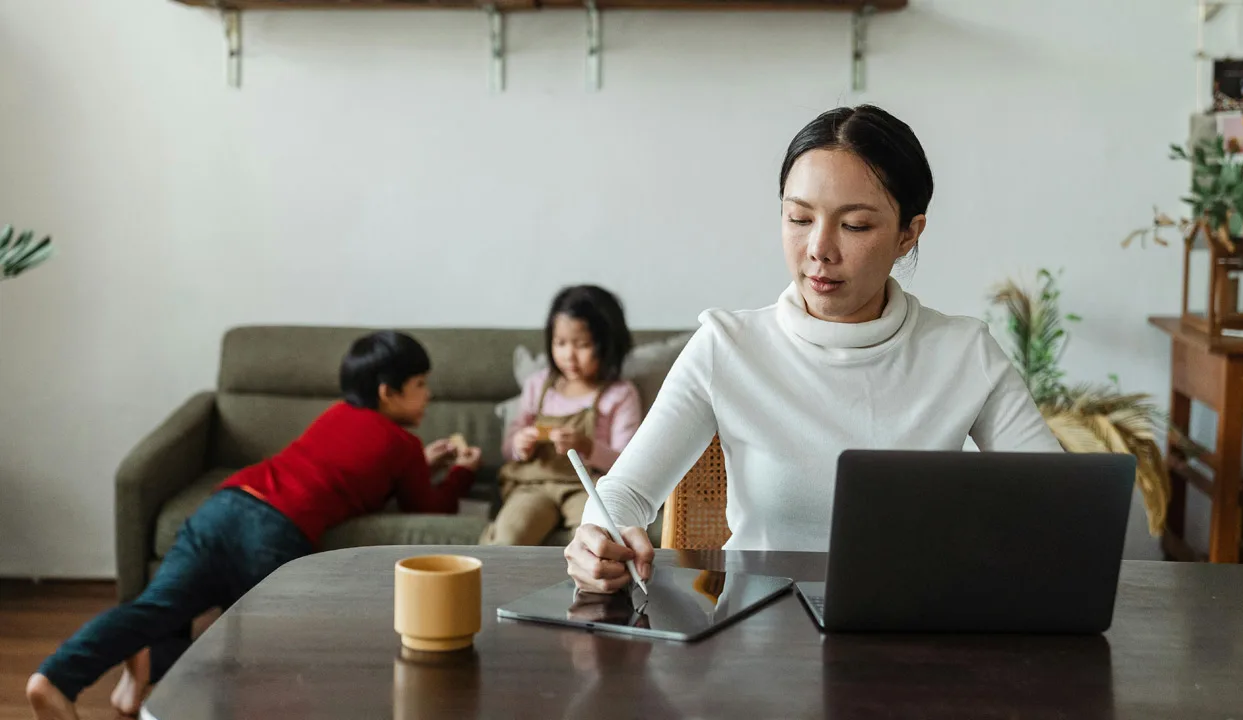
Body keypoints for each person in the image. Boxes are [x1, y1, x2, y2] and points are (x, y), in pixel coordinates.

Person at [564, 105, 1063, 593]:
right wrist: (599, 537)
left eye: (855, 226)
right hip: (760, 644)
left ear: (909, 234)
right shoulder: (727, 346)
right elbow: (625, 492)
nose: (819, 249)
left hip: (913, 637)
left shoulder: (962, 352)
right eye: (799, 218)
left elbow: (1058, 501)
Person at [27, 330, 481, 720]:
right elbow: (430, 506)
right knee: (269, 649)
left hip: (226, 504)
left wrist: (423, 461)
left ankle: (58, 677)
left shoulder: (336, 415)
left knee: (160, 606)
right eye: (421, 384)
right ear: (388, 392)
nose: (430, 395)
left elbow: (346, 466)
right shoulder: (402, 443)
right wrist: (462, 470)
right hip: (273, 532)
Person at [480, 285, 643, 546]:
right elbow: (509, 448)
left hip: (587, 487)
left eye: (583, 345)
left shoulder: (620, 394)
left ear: (607, 344)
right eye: (560, 343)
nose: (569, 355)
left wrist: (587, 446)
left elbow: (627, 463)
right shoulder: (538, 385)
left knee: (596, 541)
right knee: (508, 537)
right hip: (534, 484)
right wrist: (520, 445)